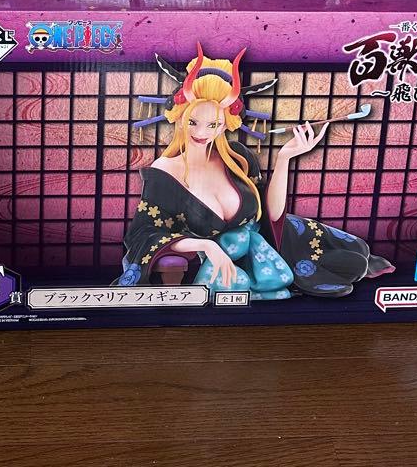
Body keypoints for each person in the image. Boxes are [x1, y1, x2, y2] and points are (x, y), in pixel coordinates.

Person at [117, 47, 394, 298]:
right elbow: (144, 234)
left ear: (226, 124)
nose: (201, 132)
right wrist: (207, 246)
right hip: (222, 267)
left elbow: (270, 216)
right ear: (178, 117)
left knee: (357, 257)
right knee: (338, 272)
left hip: (273, 248)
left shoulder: (238, 158)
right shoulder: (164, 172)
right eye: (193, 121)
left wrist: (285, 158)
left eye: (213, 124)